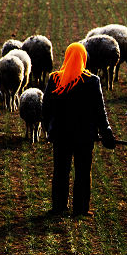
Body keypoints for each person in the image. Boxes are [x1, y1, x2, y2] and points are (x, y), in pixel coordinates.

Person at [41, 42, 116, 217]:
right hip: (85, 137)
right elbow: (99, 110)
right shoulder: (91, 81)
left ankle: (59, 207)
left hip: (61, 136)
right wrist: (106, 132)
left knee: (60, 171)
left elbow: (46, 109)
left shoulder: (55, 80)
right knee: (83, 172)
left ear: (67, 57)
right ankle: (80, 209)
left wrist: (49, 130)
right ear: (84, 58)